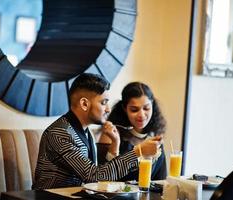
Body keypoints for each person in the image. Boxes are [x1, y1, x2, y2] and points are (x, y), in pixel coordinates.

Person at [32, 73, 162, 189]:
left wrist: (115, 144)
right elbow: (94, 176)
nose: (108, 109)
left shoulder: (86, 132)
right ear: (84, 104)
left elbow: (102, 174)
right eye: (103, 102)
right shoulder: (60, 133)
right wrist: (138, 152)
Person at [98, 82, 167, 181]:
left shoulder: (155, 137)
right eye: (134, 110)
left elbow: (161, 180)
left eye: (146, 108)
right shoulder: (111, 134)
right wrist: (115, 144)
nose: (142, 115)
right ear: (124, 108)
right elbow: (104, 179)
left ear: (153, 106)